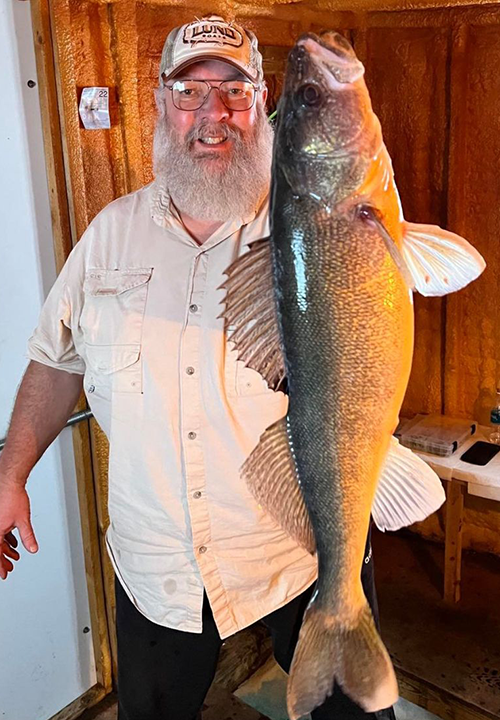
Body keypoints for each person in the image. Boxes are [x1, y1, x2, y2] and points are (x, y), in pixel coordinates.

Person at [0, 15, 396, 720]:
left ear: (263, 101)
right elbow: (55, 361)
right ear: (160, 101)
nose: (212, 116)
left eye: (234, 92)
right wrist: (10, 474)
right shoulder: (108, 235)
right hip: (157, 570)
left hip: (294, 555)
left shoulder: (316, 224)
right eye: (189, 91)